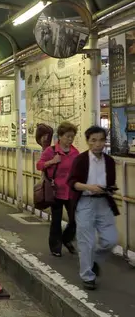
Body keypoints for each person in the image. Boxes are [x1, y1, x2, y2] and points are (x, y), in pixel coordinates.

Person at [67, 126, 119, 290]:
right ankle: (88, 276)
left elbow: (110, 182)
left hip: (104, 202)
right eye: (94, 140)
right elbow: (72, 183)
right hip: (85, 202)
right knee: (86, 242)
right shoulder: (81, 160)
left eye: (101, 140)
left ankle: (94, 260)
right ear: (88, 141)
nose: (98, 144)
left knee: (111, 240)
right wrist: (89, 187)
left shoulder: (109, 161)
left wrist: (110, 188)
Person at [37, 122, 79, 257]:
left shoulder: (74, 152)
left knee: (75, 219)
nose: (70, 140)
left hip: (71, 191)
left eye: (72, 137)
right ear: (60, 136)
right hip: (55, 191)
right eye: (67, 136)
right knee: (56, 220)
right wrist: (52, 161)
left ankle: (66, 239)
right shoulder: (51, 151)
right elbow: (39, 165)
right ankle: (56, 247)